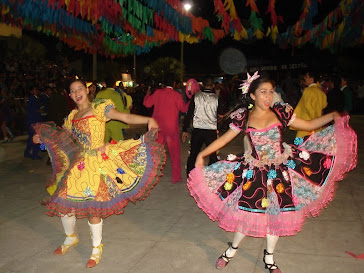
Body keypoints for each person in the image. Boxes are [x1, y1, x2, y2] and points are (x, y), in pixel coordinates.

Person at [187, 72, 357, 273]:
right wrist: (202, 154)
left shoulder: (281, 112)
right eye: (263, 92)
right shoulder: (244, 117)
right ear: (252, 95)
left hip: (280, 171)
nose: (268, 97)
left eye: (271, 92)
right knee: (248, 213)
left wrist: (332, 115)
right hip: (255, 173)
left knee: (276, 214)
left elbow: (308, 125)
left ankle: (269, 258)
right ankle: (231, 251)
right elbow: (223, 140)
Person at [32, 79, 165, 268]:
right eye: (73, 91)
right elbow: (63, 140)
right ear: (70, 95)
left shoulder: (99, 108)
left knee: (93, 207)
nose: (77, 93)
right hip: (77, 164)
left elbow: (124, 118)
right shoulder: (71, 117)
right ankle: (71, 238)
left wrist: (148, 119)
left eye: (80, 89)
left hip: (97, 163)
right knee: (64, 201)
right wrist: (43, 139)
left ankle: (96, 248)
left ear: (86, 90)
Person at [143, 79, 189, 183]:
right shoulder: (176, 95)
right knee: (175, 153)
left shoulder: (158, 92)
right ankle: (176, 177)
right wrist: (191, 100)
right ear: (174, 83)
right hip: (171, 128)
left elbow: (147, 104)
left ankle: (151, 176)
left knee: (155, 151)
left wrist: (147, 94)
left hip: (158, 127)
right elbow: (183, 109)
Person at [182, 77, 223, 176]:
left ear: (202, 85)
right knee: (213, 155)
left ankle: (190, 176)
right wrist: (219, 127)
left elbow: (189, 114)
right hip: (211, 131)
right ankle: (211, 176)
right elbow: (220, 114)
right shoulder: (217, 98)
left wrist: (185, 129)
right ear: (213, 86)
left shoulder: (196, 96)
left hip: (198, 130)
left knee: (194, 154)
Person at [292, 71, 327, 137]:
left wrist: (314, 121)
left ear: (311, 79)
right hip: (318, 124)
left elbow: (308, 107)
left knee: (300, 144)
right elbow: (324, 105)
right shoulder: (321, 92)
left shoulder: (308, 90)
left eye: (306, 77)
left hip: (306, 125)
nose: (304, 78)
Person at [95, 78, 125, 142]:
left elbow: (95, 107)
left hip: (102, 123)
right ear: (114, 84)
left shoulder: (99, 94)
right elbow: (120, 109)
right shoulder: (116, 95)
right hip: (114, 123)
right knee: (119, 145)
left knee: (103, 144)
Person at [24, 86, 43, 159]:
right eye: (34, 89)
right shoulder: (32, 99)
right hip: (33, 121)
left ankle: (27, 152)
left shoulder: (35, 98)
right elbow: (32, 110)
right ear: (31, 91)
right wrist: (39, 111)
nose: (36, 91)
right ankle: (35, 154)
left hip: (32, 121)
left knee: (31, 138)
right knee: (36, 137)